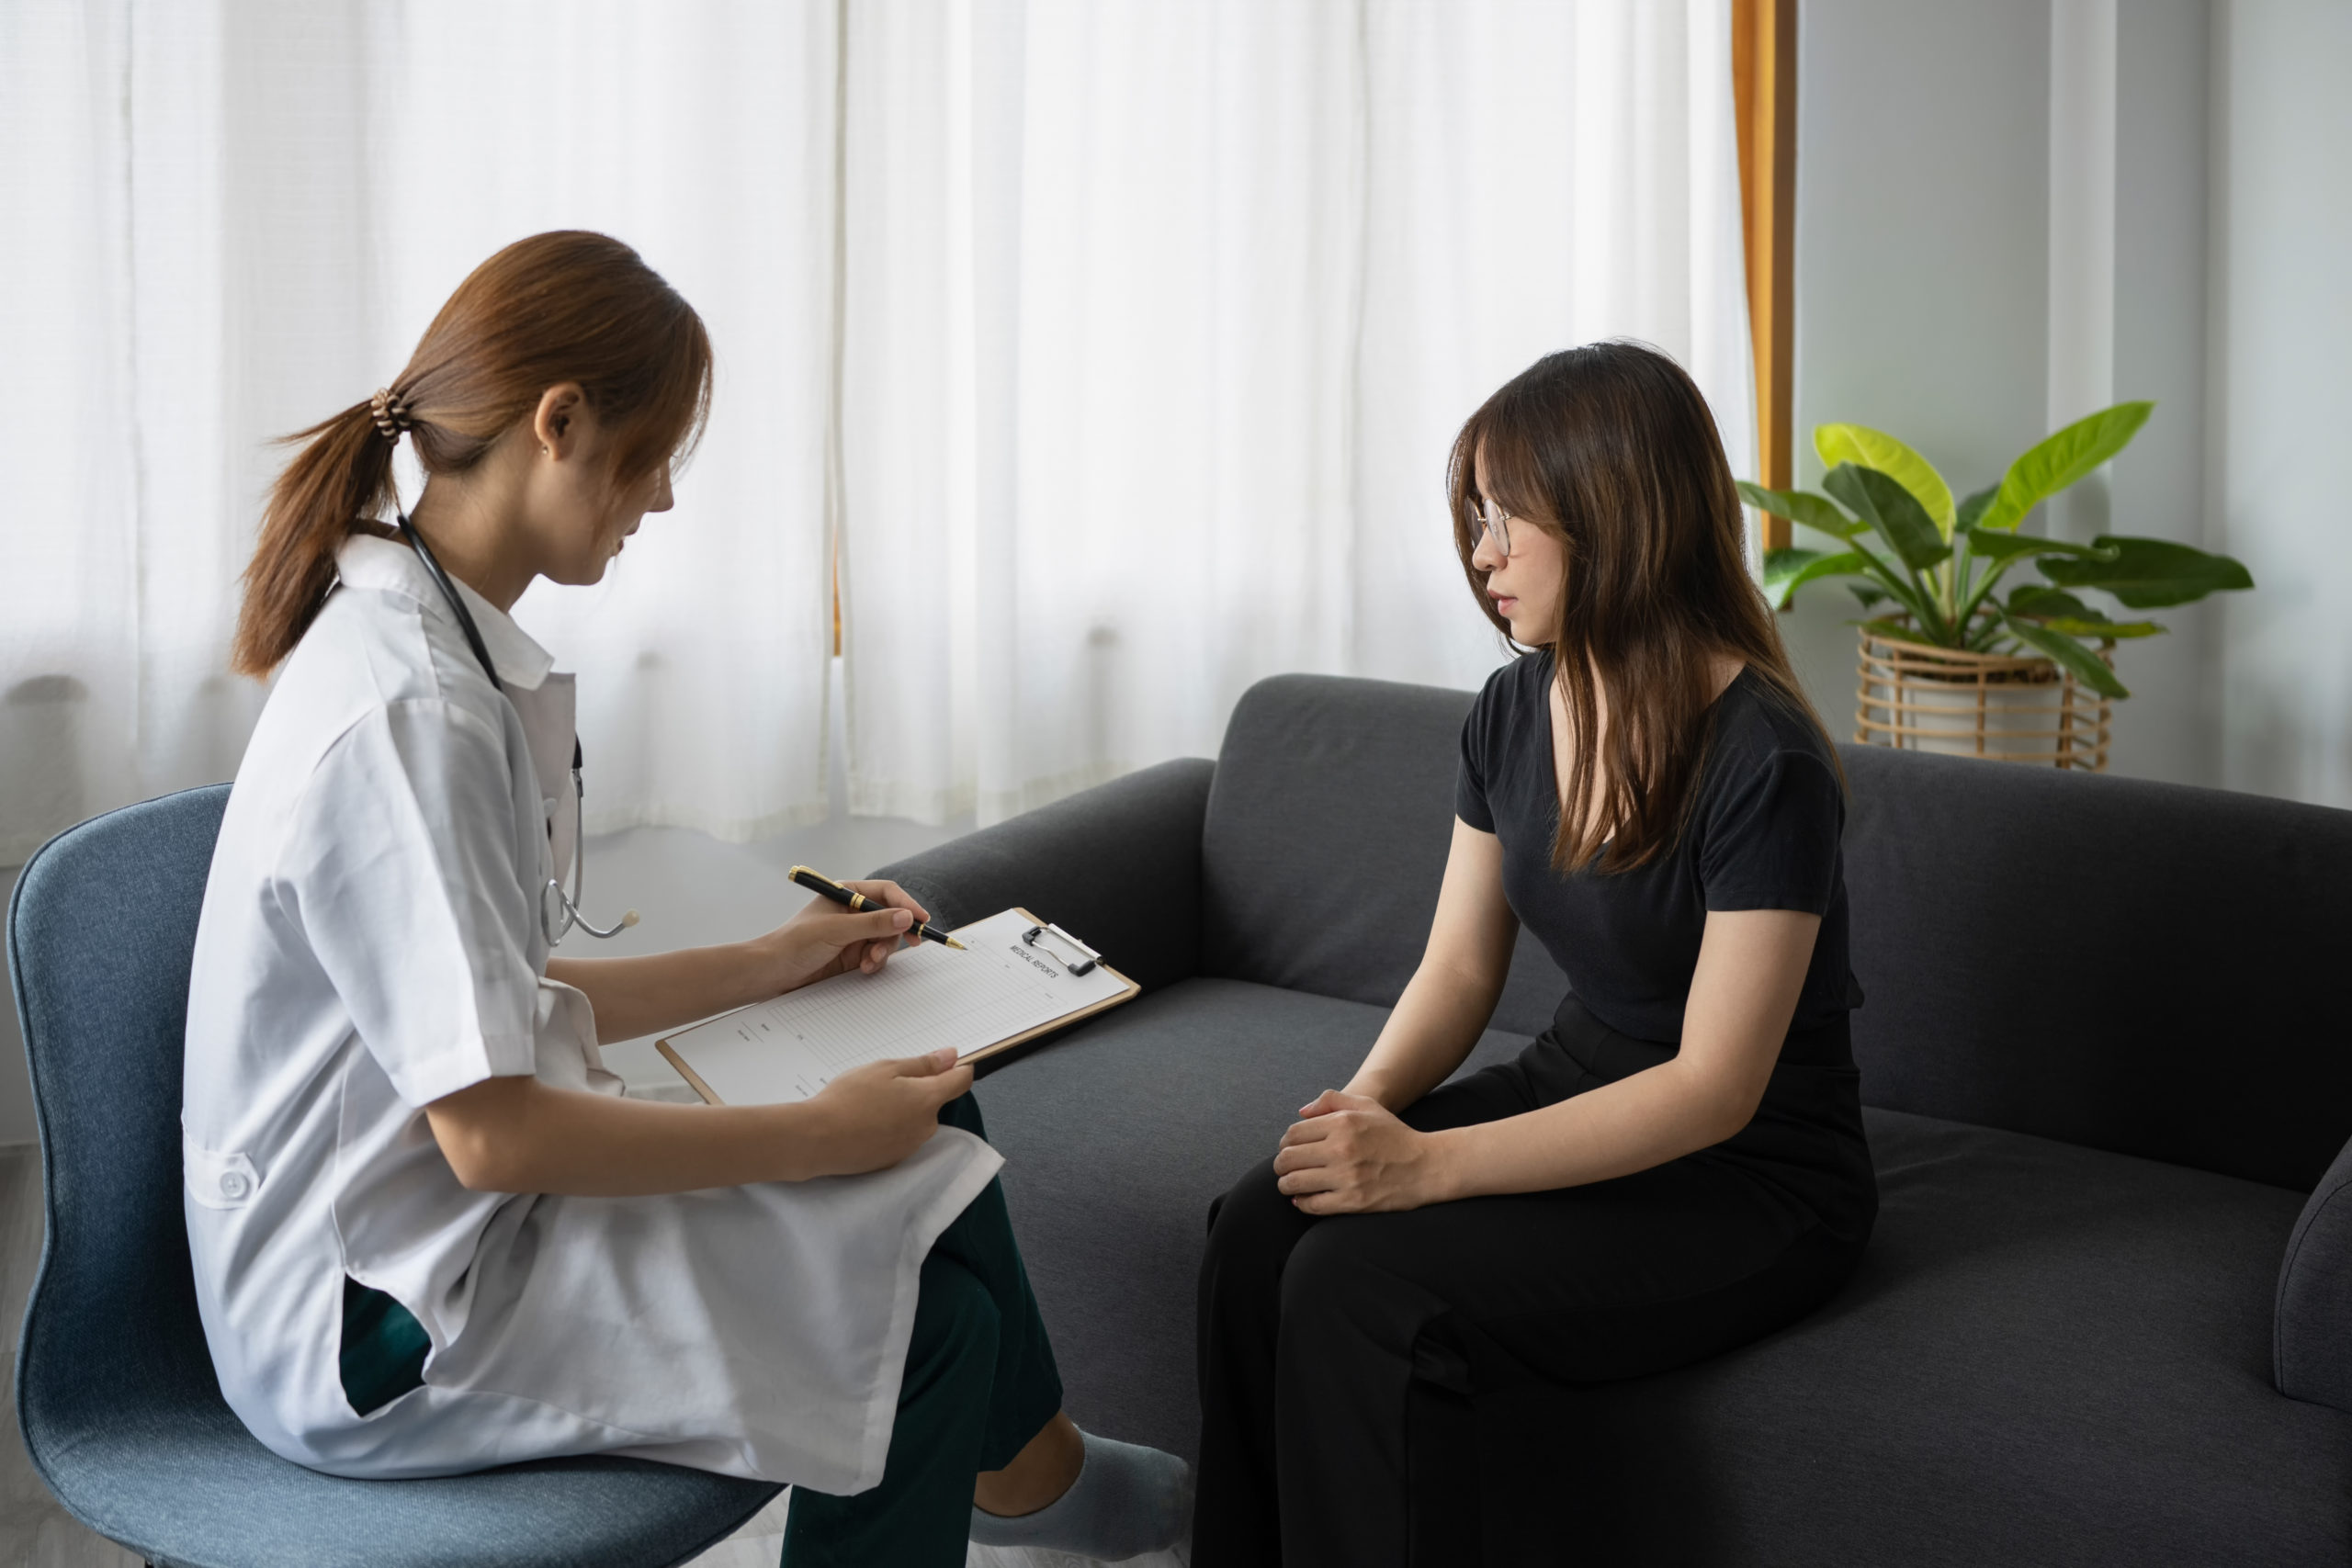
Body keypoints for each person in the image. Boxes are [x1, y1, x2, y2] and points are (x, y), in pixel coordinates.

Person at [183, 231, 1188, 1568]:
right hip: (379, 1326)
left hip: (429, 1221)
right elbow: (494, 1137)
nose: (655, 501)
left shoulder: (420, 637)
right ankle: (1032, 1478)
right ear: (560, 422)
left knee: (929, 1101)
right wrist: (815, 1137)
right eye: (651, 456)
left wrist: (784, 959)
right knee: (927, 1329)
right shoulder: (409, 708)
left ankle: (1031, 1477)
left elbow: (498, 1007)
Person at [1190, 342, 1879, 1565]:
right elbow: (1458, 973)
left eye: (1507, 519)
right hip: (1582, 1074)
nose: (1481, 553)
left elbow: (1715, 1090)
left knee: (1365, 1288)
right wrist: (1363, 1113)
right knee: (1263, 1220)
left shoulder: (1762, 759)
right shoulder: (1511, 709)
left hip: (1756, 1174)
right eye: (1477, 519)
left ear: (1612, 516)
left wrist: (1427, 1171)